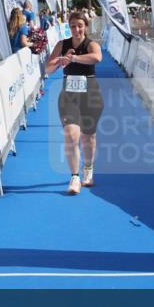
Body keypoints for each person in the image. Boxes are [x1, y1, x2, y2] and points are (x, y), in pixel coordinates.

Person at [45, 12, 104, 195]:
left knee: (88, 137)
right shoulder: (62, 44)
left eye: (80, 25)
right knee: (71, 135)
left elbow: (97, 57)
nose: (76, 29)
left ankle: (88, 169)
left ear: (85, 27)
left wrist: (75, 58)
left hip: (91, 96)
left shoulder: (91, 44)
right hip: (69, 96)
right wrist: (61, 60)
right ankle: (75, 177)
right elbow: (48, 68)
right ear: (69, 28)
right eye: (73, 26)